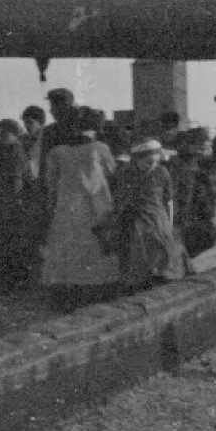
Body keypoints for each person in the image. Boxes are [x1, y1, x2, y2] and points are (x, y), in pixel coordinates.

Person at [39, 115, 119, 309]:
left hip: (68, 204)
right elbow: (112, 173)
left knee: (67, 244)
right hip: (96, 203)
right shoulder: (99, 149)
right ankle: (96, 288)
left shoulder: (58, 152)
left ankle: (67, 288)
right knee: (94, 243)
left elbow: (50, 183)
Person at [109, 133, 187, 287]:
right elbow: (121, 198)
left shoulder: (162, 173)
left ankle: (161, 276)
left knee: (164, 247)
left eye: (155, 162)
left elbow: (168, 201)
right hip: (136, 216)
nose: (151, 166)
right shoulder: (127, 173)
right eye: (147, 163)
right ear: (136, 160)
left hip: (158, 216)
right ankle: (140, 279)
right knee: (139, 247)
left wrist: (169, 223)